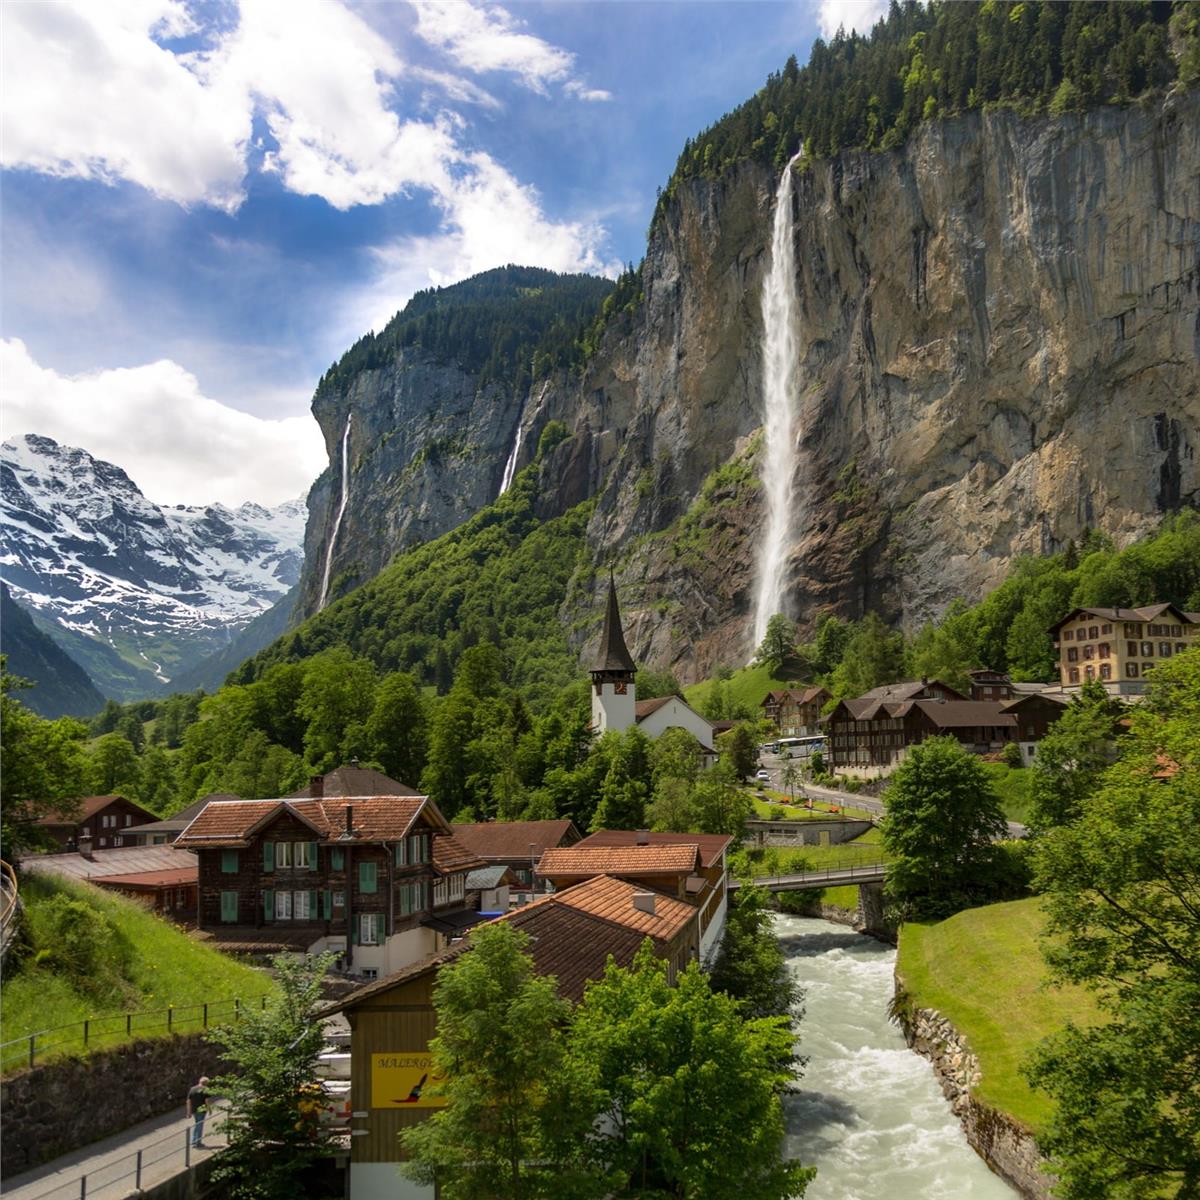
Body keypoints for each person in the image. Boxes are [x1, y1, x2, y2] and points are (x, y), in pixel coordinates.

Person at [187, 1075, 210, 1147]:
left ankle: (194, 1140)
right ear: (206, 1083)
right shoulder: (205, 1089)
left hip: (194, 1110)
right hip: (202, 1110)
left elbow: (188, 1101)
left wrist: (189, 1112)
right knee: (200, 1125)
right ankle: (198, 1142)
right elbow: (206, 1101)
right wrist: (209, 1109)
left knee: (197, 1124)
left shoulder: (192, 1089)